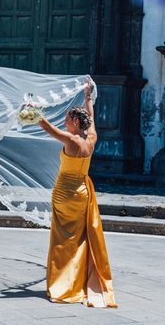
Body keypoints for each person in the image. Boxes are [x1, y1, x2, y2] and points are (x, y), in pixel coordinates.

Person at [38, 82, 117, 307]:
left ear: (74, 122)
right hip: (82, 193)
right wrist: (88, 98)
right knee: (79, 240)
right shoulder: (90, 139)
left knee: (61, 241)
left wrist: (32, 110)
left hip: (64, 194)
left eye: (67, 119)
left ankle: (63, 285)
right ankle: (77, 281)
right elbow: (90, 118)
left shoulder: (70, 139)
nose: (64, 122)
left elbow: (47, 128)